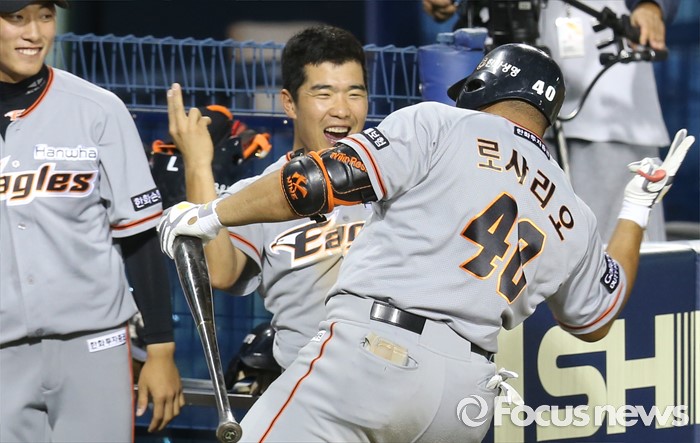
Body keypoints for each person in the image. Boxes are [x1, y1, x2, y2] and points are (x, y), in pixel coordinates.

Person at [158, 42, 693, 442]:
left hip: (374, 357)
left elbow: (320, 180)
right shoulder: (574, 212)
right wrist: (635, 209)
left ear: (482, 88)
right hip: (466, 397)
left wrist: (211, 213)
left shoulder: (443, 125)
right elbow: (598, 317)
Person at [0, 1, 184, 441]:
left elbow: (138, 236)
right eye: (17, 18)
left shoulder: (97, 109)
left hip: (93, 342)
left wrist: (160, 348)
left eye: (45, 17)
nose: (34, 33)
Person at [167, 24, 371, 370]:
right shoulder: (257, 193)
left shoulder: (393, 176)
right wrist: (198, 165)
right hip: (304, 374)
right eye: (324, 94)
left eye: (354, 94)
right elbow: (221, 273)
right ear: (289, 103)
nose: (342, 110)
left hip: (384, 369)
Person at [422, 0, 679, 242]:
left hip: (607, 103)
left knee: (617, 244)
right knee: (514, 245)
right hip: (507, 95)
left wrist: (650, 5)